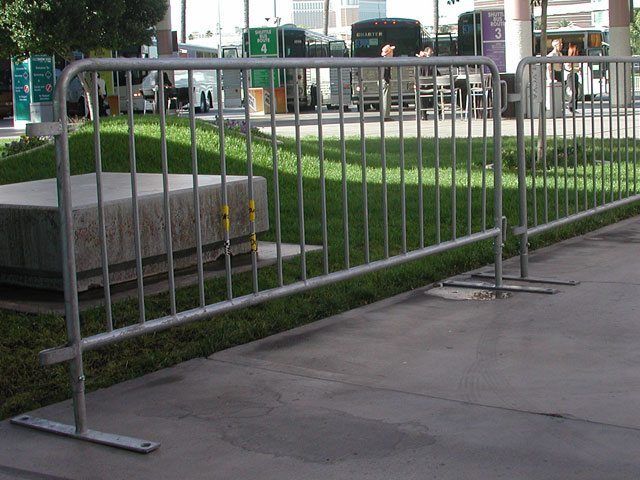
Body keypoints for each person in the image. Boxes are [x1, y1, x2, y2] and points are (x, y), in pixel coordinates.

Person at [416, 46, 435, 120]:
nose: (432, 53)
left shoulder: (419, 64)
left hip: (421, 86)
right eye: (431, 52)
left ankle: (423, 114)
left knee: (421, 97)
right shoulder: (431, 63)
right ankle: (437, 108)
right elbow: (436, 74)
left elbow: (416, 75)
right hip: (430, 86)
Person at [381, 44, 395, 121]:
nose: (393, 53)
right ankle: (386, 116)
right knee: (386, 99)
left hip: (385, 81)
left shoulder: (385, 60)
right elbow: (384, 73)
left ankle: (386, 115)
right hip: (385, 81)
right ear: (389, 53)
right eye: (391, 52)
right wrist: (387, 81)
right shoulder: (386, 61)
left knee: (387, 99)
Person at [565, 42, 580, 111]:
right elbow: (568, 68)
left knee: (576, 91)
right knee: (573, 91)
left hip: (575, 74)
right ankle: (571, 106)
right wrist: (578, 69)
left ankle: (574, 106)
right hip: (570, 75)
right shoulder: (569, 59)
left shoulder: (576, 59)